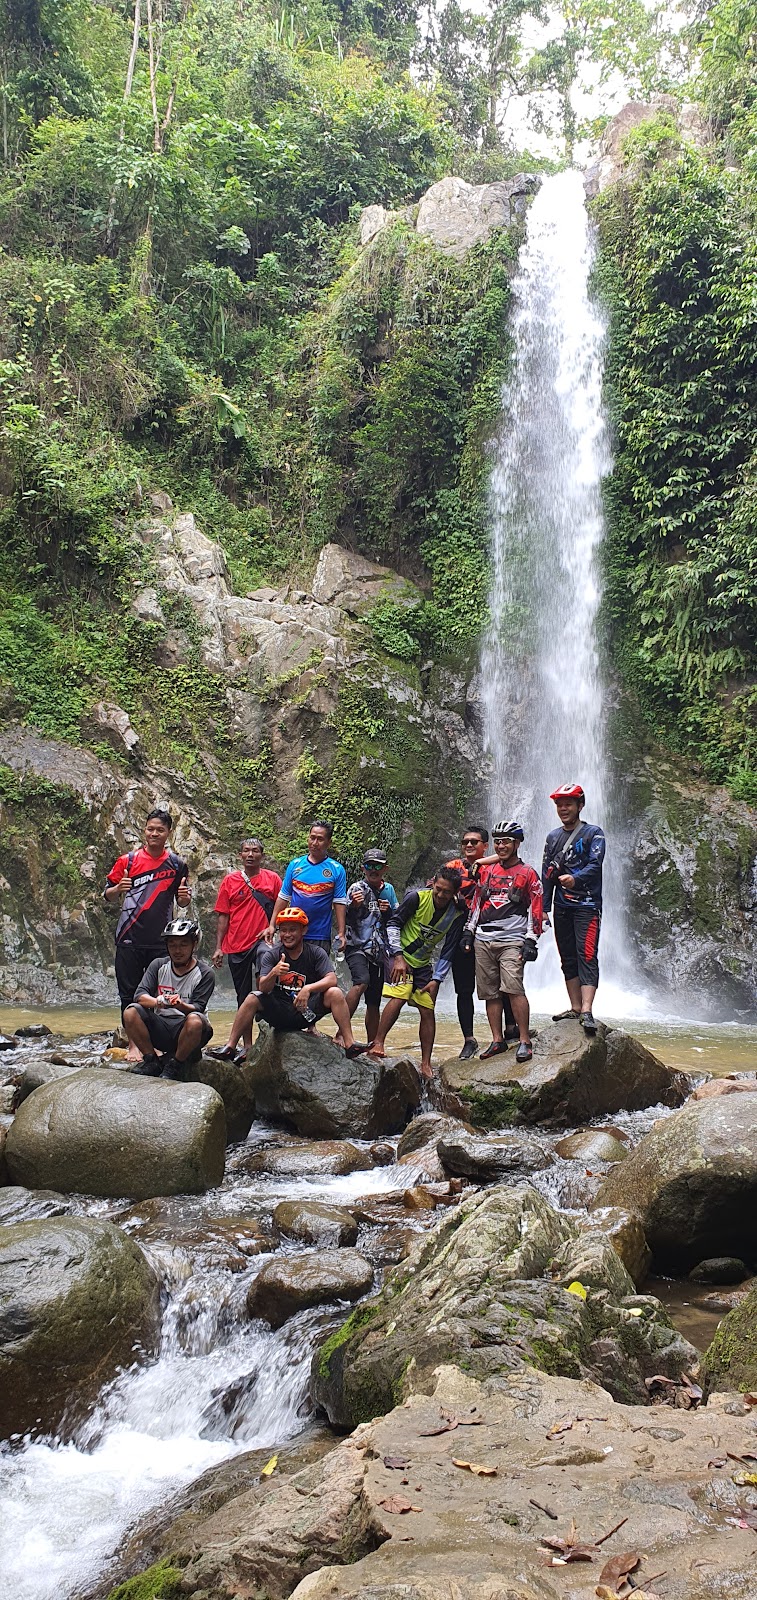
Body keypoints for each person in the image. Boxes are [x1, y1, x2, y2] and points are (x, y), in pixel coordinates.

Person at [219, 907, 364, 1057]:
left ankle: (349, 1043)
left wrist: (308, 989)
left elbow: (332, 979)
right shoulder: (272, 955)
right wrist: (274, 973)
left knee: (335, 993)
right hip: (279, 1013)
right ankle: (231, 1046)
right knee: (251, 998)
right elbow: (263, 987)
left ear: (304, 930)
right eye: (283, 930)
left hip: (305, 1012)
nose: (287, 935)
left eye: (293, 930)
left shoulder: (315, 953)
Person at [366, 866, 465, 1080]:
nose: (440, 895)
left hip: (422, 962)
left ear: (454, 893)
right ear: (432, 884)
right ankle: (378, 1042)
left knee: (427, 1007)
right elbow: (393, 924)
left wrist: (438, 979)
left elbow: (448, 950)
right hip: (397, 952)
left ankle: (426, 1063)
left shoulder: (456, 914)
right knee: (401, 994)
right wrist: (398, 957)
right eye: (438, 889)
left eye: (446, 892)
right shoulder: (416, 898)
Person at [104, 809, 191, 1031]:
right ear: (144, 830)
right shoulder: (128, 861)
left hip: (161, 941)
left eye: (160, 830)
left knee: (160, 993)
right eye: (150, 829)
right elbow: (107, 895)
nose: (154, 833)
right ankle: (133, 1041)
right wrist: (117, 888)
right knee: (128, 993)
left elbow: (182, 902)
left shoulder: (177, 865)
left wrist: (184, 899)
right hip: (128, 937)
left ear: (168, 833)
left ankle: (155, 1038)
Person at [464, 820, 542, 1063]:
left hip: (512, 940)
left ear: (517, 843)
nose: (501, 845)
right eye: (497, 841)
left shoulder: (527, 873)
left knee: (514, 988)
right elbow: (478, 901)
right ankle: (497, 1040)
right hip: (483, 939)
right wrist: (469, 930)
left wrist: (531, 940)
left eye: (506, 841)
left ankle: (524, 1040)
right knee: (490, 993)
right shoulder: (486, 871)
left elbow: (536, 909)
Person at [442, 825, 516, 1060]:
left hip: (490, 930)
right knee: (464, 989)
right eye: (465, 842)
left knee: (502, 983)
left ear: (486, 846)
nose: (469, 846)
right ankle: (469, 1039)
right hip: (458, 929)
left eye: (475, 842)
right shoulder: (455, 867)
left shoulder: (496, 867)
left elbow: (513, 857)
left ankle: (511, 1028)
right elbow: (437, 887)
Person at [542, 783, 606, 1036]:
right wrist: (543, 907)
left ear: (580, 805)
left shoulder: (594, 833)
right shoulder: (552, 837)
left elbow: (596, 864)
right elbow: (547, 873)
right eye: (559, 804)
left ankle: (588, 1010)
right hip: (562, 906)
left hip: (587, 906)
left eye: (568, 803)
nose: (563, 808)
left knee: (587, 954)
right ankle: (575, 1007)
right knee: (567, 955)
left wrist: (575, 879)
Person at [124, 918, 214, 1080]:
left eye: (183, 944)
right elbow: (140, 996)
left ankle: (175, 1064)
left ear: (194, 945)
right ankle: (151, 1060)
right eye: (172, 945)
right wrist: (161, 1002)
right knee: (130, 1012)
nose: (177, 950)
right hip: (161, 1028)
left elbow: (198, 1008)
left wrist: (180, 1005)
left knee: (194, 1020)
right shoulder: (158, 965)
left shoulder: (205, 973)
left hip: (189, 1032)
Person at [211, 839, 282, 1019]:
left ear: (262, 855)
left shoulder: (272, 879)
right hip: (236, 942)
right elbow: (223, 916)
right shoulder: (230, 881)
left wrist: (273, 927)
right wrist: (219, 947)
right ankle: (247, 1044)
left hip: (262, 940)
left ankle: (263, 1005)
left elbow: (282, 906)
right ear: (240, 855)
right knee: (242, 996)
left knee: (265, 964)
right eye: (246, 851)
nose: (251, 854)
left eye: (255, 851)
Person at [340, 848, 399, 1045]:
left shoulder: (388, 890)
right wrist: (354, 906)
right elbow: (343, 918)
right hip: (357, 946)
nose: (373, 870)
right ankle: (341, 1033)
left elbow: (396, 920)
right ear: (363, 868)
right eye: (369, 865)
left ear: (385, 868)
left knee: (374, 1000)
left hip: (379, 950)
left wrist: (388, 912)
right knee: (361, 982)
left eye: (378, 866)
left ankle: (373, 1043)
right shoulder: (356, 888)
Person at [266, 820, 347, 954]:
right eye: (312, 838)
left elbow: (339, 902)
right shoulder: (295, 865)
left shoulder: (337, 869)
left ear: (329, 842)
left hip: (320, 934)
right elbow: (283, 897)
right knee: (290, 973)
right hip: (292, 933)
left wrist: (341, 933)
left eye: (320, 839)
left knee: (318, 973)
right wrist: (272, 925)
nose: (315, 843)